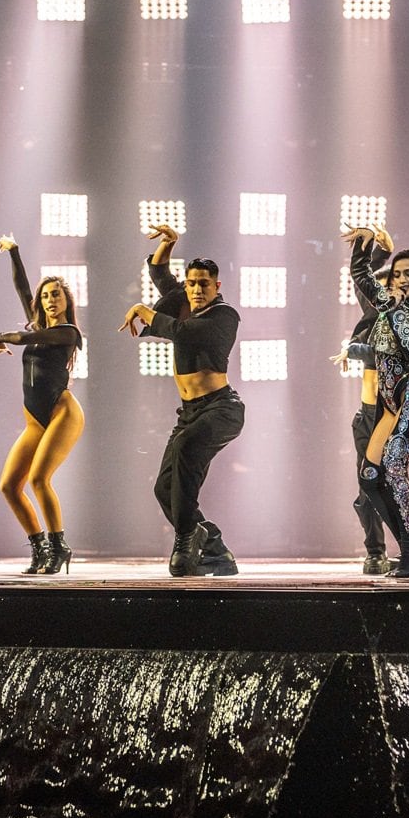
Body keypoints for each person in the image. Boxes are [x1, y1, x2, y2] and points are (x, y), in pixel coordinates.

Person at [122, 224, 243, 577]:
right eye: (191, 283)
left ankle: (186, 539)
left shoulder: (224, 316)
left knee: (188, 446)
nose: (195, 289)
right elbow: (159, 272)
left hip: (221, 408)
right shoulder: (183, 301)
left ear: (216, 286)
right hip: (190, 412)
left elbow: (183, 333)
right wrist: (169, 245)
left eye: (203, 283)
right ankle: (214, 547)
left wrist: (145, 311)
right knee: (165, 489)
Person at [344, 226, 409, 578]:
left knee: (393, 466)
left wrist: (397, 307)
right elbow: (360, 274)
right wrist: (364, 243)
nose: (401, 279)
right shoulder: (389, 306)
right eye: (397, 274)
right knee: (371, 477)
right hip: (390, 403)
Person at [0, 234, 84, 574]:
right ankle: (40, 549)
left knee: (40, 479)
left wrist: (1, 336)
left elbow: (26, 338)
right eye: (45, 296)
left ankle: (60, 548)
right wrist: (15, 251)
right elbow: (21, 288)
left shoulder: (68, 332)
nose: (49, 299)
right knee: (9, 486)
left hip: (63, 412)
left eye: (55, 294)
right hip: (35, 420)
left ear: (65, 299)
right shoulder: (37, 322)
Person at [330, 226, 395, 575]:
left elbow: (377, 350)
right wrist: (369, 243)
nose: (379, 294)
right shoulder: (373, 314)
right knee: (367, 487)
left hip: (393, 415)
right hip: (367, 414)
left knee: (392, 485)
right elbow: (363, 277)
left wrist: (350, 348)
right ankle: (375, 551)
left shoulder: (402, 320)